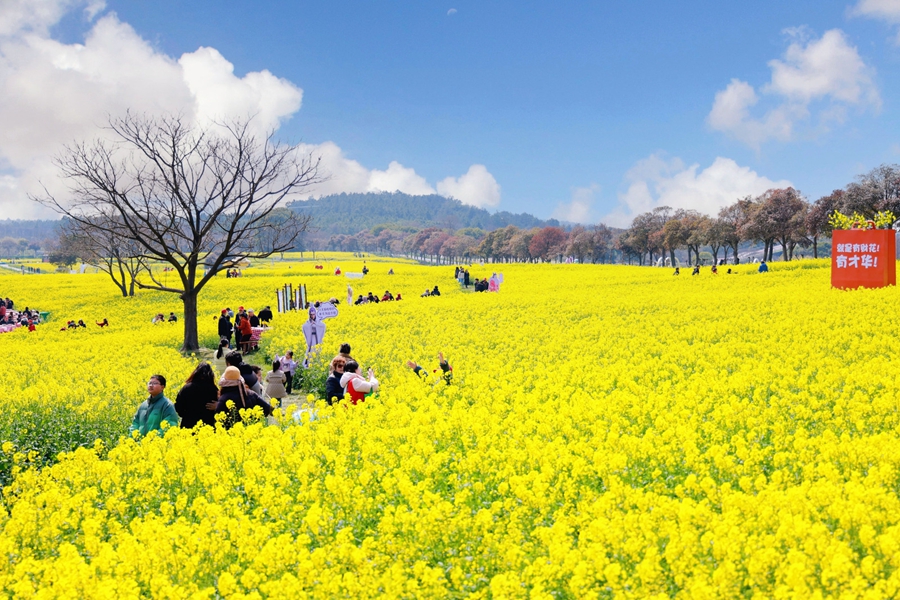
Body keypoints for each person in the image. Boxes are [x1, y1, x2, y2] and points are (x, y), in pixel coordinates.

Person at [174, 362, 218, 429]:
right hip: (208, 427)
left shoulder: (187, 388)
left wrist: (186, 415)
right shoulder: (214, 389)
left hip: (188, 425)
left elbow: (178, 406)